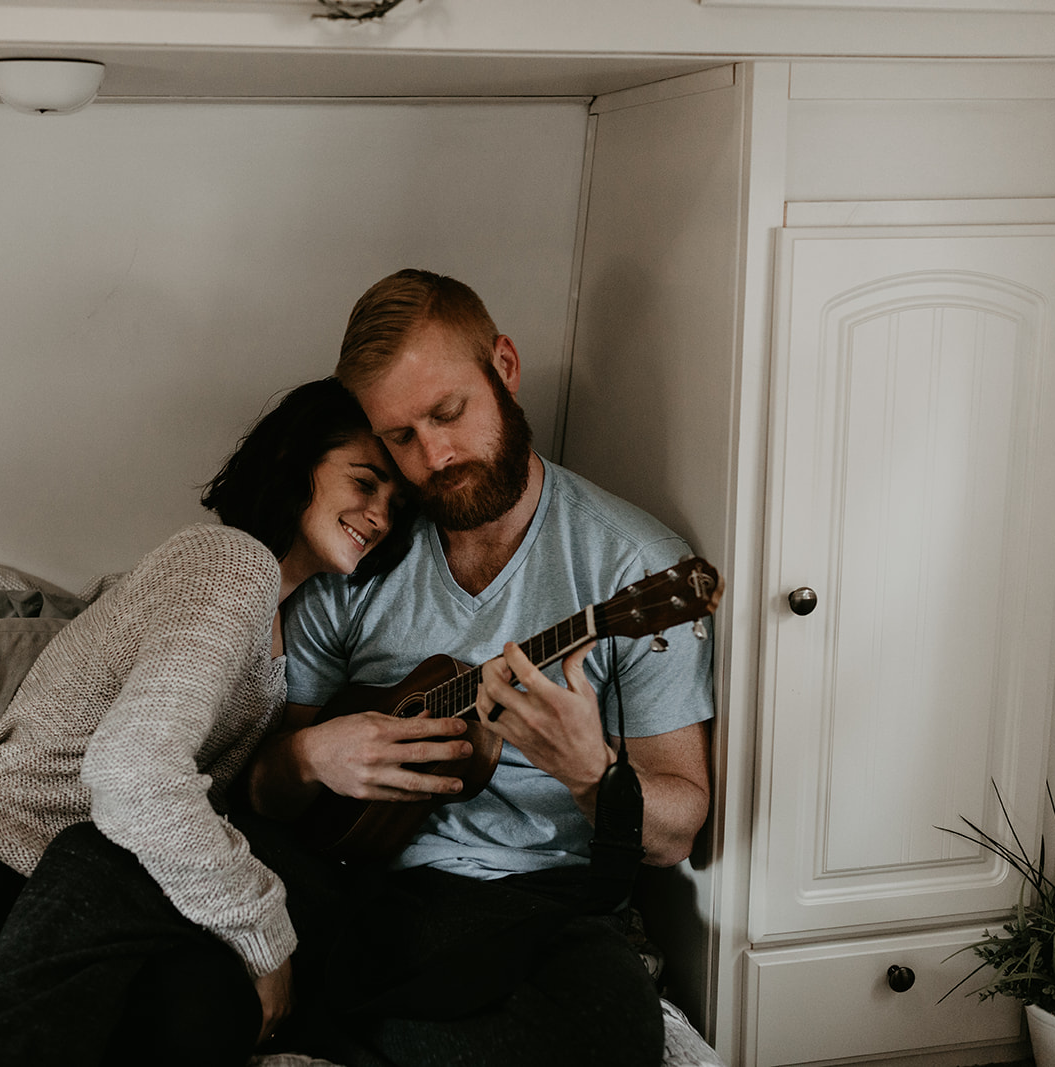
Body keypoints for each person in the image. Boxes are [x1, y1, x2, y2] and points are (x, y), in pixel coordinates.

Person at [0, 376, 413, 1067]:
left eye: (396, 500)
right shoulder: (233, 564)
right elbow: (133, 771)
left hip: (88, 910)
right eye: (365, 480)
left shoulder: (270, 621)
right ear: (298, 460)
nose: (380, 513)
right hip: (2, 864)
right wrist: (266, 933)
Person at [240, 269, 715, 1067]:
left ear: (504, 366)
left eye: (448, 412)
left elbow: (679, 830)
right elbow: (263, 793)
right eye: (399, 437)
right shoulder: (359, 550)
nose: (434, 456)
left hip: (536, 910)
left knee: (606, 1023)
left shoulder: (632, 566)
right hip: (363, 884)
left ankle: (356, 1027)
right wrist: (307, 755)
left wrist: (592, 773)